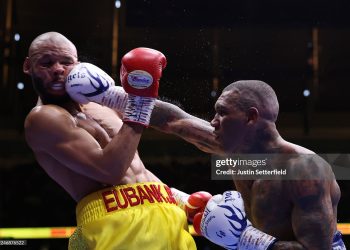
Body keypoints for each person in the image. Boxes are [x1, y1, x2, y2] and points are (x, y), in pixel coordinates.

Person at [23, 31, 202, 249]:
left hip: (165, 211)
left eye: (66, 62)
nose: (58, 69)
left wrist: (183, 200)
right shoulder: (43, 118)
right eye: (47, 63)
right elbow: (110, 170)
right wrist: (140, 103)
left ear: (78, 64)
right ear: (28, 66)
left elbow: (140, 164)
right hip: (117, 221)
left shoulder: (101, 103)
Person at [149, 80, 346, 249]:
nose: (213, 122)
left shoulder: (303, 170)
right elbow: (173, 120)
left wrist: (245, 239)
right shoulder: (231, 146)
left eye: (222, 113)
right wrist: (120, 97)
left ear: (251, 117)